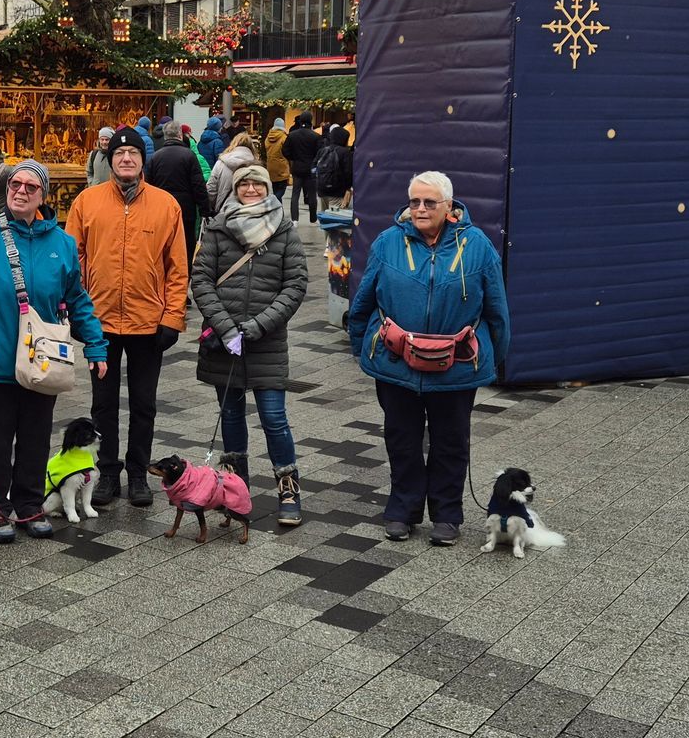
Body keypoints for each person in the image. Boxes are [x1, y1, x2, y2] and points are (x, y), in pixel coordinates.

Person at [0, 159, 109, 542]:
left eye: (30, 187)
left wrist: (96, 344)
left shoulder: (62, 243)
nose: (20, 191)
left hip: (43, 364)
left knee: (36, 439)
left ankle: (29, 504)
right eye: (15, 184)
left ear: (44, 195)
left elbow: (77, 298)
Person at [348, 171, 510, 546]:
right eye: (414, 201)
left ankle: (447, 515)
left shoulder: (478, 246)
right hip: (396, 363)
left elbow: (497, 310)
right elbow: (364, 300)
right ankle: (402, 510)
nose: (420, 209)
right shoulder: (388, 242)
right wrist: (363, 346)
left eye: (429, 202)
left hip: (456, 367)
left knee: (451, 442)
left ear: (449, 206)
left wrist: (491, 358)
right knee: (401, 439)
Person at [65, 126, 189, 507]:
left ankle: (138, 474)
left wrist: (172, 317)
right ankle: (107, 473)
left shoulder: (166, 205)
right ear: (110, 159)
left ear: (142, 159)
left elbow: (178, 268)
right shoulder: (87, 202)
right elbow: (72, 260)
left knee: (143, 403)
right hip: (99, 323)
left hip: (148, 322)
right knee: (103, 404)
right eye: (119, 154)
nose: (126, 159)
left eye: (133, 153)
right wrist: (78, 311)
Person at [191, 165, 309, 525]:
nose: (252, 189)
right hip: (225, 343)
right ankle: (236, 489)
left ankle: (288, 488)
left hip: (267, 342)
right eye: (245, 184)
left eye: (258, 183)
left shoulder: (284, 230)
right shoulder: (217, 228)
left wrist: (258, 325)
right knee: (230, 415)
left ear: (268, 187)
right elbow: (201, 280)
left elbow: (295, 285)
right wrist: (227, 329)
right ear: (235, 188)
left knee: (274, 417)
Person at [147, 120, 210, 254]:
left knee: (163, 243)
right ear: (180, 135)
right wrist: (205, 209)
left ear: (165, 136)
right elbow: (198, 185)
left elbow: (148, 185)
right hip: (186, 208)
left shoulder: (155, 157)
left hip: (162, 208)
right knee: (186, 244)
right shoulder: (189, 156)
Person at [206, 131, 260, 215]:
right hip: (249, 212)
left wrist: (214, 206)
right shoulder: (257, 166)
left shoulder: (220, 163)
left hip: (223, 212)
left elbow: (211, 189)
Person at [282, 113, 321, 221]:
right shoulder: (316, 136)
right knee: (312, 194)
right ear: (311, 121)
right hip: (310, 167)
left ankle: (295, 218)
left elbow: (285, 150)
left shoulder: (292, 135)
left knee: (295, 193)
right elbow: (319, 152)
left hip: (297, 166)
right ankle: (313, 218)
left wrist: (293, 158)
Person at [312, 125, 354, 209]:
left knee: (323, 214)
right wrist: (348, 188)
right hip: (337, 192)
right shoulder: (345, 152)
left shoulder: (322, 150)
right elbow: (348, 173)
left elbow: (313, 168)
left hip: (321, 190)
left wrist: (317, 182)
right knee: (335, 215)